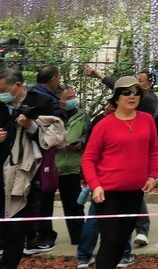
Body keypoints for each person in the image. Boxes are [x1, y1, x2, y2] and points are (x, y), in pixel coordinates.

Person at [80, 77, 158, 269]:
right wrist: (95, 185)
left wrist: (152, 176)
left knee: (123, 239)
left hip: (134, 192)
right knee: (111, 239)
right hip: (107, 193)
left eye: (136, 92)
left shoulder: (147, 120)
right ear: (116, 98)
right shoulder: (103, 124)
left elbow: (154, 150)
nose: (132, 96)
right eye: (126, 92)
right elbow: (88, 158)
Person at [0, 67, 65, 269]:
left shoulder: (42, 102)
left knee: (16, 229)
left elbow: (54, 138)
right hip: (0, 173)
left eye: (3, 89)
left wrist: (30, 126)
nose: (0, 94)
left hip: (27, 176)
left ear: (18, 86)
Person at [54, 86, 89, 247]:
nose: (71, 100)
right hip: (52, 167)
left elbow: (88, 134)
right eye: (67, 98)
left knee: (74, 205)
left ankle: (78, 238)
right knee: (43, 205)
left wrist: (80, 142)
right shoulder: (51, 115)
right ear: (58, 100)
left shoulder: (81, 115)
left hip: (73, 167)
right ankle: (42, 238)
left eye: (73, 96)